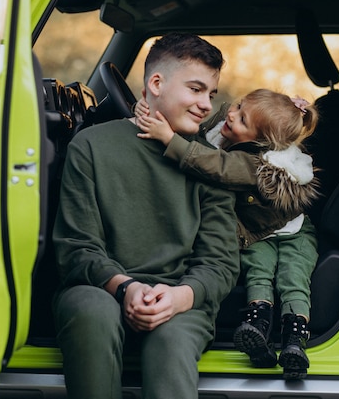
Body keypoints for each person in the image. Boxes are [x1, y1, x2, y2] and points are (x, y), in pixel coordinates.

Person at [52, 32, 240, 399]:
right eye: (196, 89)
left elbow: (220, 262)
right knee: (92, 310)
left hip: (181, 298)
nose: (205, 105)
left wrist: (180, 297)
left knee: (172, 337)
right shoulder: (90, 146)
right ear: (156, 83)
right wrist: (126, 287)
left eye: (211, 95)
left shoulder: (208, 163)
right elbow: (77, 247)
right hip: (101, 289)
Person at [135, 88, 319, 379]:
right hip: (259, 233)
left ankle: (294, 341)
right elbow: (201, 128)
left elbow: (216, 166)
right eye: (238, 105)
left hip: (294, 232)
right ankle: (258, 328)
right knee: (258, 271)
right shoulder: (223, 130)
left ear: (261, 141)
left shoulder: (256, 164)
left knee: (292, 278)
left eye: (243, 119)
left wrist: (168, 140)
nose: (231, 114)